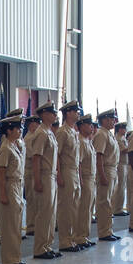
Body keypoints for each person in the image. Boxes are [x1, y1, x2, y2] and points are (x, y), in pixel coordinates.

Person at [0, 114, 27, 264]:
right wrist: (2, 192)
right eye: (17, 129)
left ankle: (16, 256)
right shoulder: (5, 148)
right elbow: (1, 171)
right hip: (9, 185)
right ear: (8, 131)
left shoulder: (15, 146)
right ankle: (9, 259)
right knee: (9, 225)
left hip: (17, 185)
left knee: (16, 224)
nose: (20, 131)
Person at [30, 103, 60, 259]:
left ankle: (48, 245)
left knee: (51, 213)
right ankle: (40, 248)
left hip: (51, 175)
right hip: (44, 175)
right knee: (44, 213)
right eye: (52, 112)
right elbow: (36, 158)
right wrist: (37, 180)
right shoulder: (41, 133)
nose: (55, 115)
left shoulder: (49, 132)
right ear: (44, 115)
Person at [56, 101, 83, 249]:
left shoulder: (74, 131)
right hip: (66, 171)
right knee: (66, 208)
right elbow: (57, 156)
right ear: (67, 113)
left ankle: (72, 239)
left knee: (74, 207)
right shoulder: (62, 132)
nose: (78, 113)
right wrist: (59, 175)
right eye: (75, 111)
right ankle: (64, 241)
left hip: (74, 171)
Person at [94, 109, 121, 240]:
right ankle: (104, 231)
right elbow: (99, 156)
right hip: (106, 169)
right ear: (104, 120)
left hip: (112, 169)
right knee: (104, 202)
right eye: (111, 119)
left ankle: (108, 230)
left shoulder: (109, 134)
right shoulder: (101, 134)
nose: (113, 121)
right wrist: (102, 175)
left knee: (110, 202)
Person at [75, 114, 97, 248]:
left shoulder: (87, 141)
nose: (92, 127)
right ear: (82, 127)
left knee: (88, 209)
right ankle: (80, 237)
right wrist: (81, 180)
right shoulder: (81, 142)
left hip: (91, 178)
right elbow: (79, 163)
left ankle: (84, 236)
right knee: (83, 209)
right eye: (89, 125)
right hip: (85, 178)